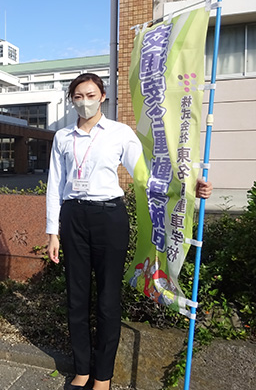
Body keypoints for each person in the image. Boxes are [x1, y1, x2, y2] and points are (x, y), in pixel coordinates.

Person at [46, 73, 212, 390]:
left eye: (90, 95)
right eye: (78, 96)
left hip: (109, 218)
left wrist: (189, 187)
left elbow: (145, 175)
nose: (84, 102)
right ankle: (82, 370)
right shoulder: (63, 137)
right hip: (73, 218)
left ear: (103, 96)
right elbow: (55, 185)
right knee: (76, 298)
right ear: (72, 100)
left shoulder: (120, 134)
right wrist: (52, 231)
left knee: (108, 299)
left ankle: (103, 377)